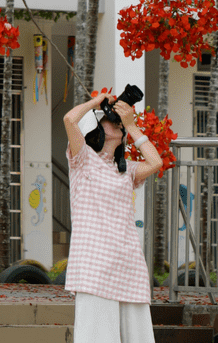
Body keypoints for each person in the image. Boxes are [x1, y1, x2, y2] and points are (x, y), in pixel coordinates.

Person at [63, 90, 163, 343]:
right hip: (94, 264)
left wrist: (131, 125)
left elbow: (156, 162)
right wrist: (95, 103)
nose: (115, 122)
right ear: (96, 127)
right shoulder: (82, 160)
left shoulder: (126, 170)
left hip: (127, 261)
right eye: (110, 119)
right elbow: (69, 120)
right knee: (97, 337)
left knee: (138, 337)